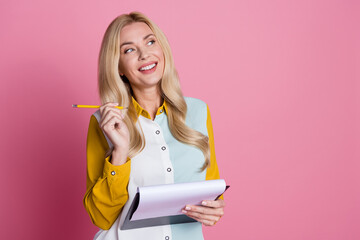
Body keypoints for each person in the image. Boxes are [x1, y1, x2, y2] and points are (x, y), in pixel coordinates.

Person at [83, 11, 225, 240]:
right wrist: (120, 152)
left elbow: (210, 192)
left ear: (162, 50)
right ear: (118, 66)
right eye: (129, 49)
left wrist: (213, 210)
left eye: (150, 42)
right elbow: (101, 217)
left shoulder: (199, 112)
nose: (144, 54)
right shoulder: (104, 123)